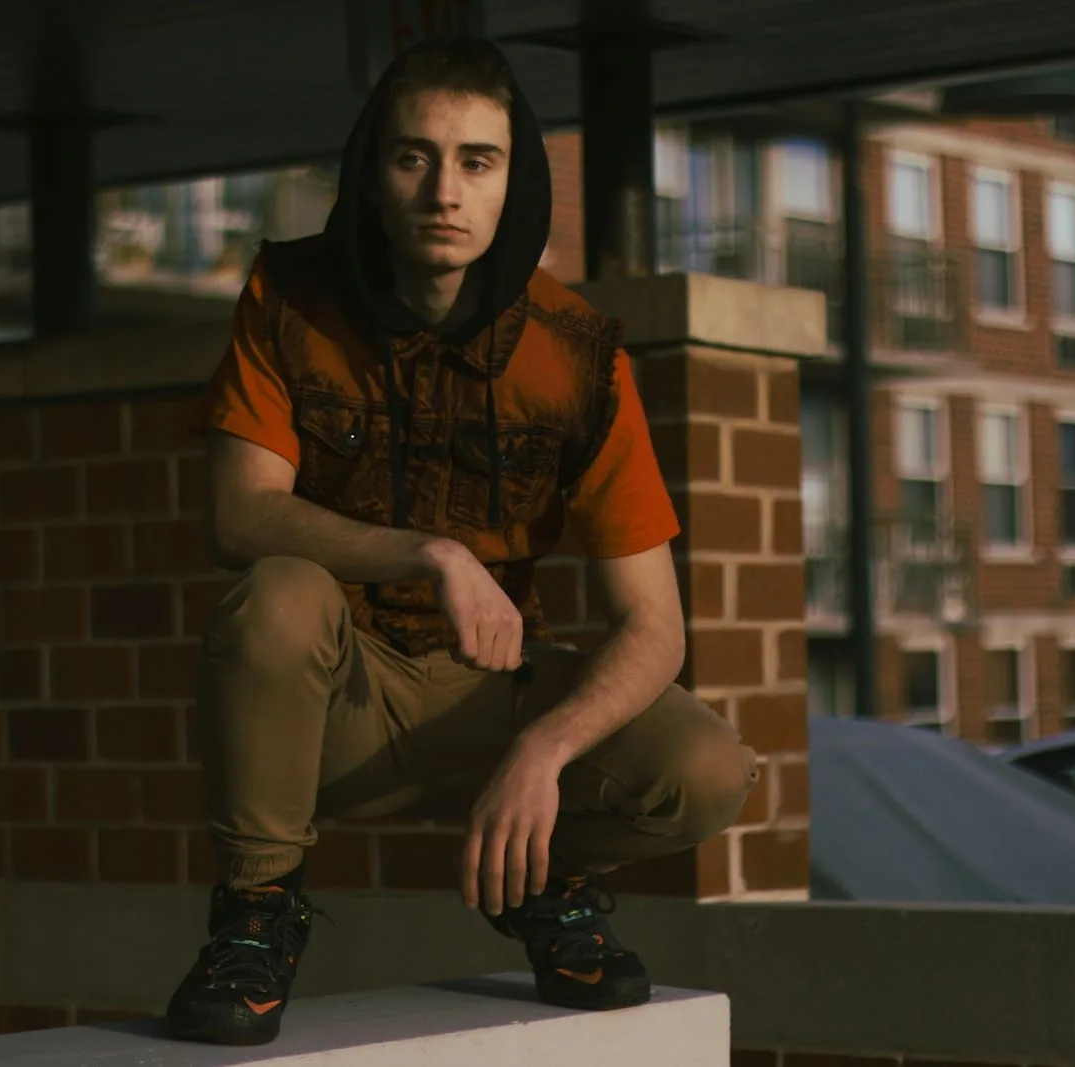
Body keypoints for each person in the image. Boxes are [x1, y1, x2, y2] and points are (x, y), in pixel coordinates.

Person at [167, 35, 760, 1047]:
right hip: (330, 698)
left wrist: (545, 744)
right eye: (414, 157)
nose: (444, 190)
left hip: (491, 690)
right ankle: (256, 915)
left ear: (510, 180)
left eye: (475, 161)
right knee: (276, 589)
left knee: (706, 765)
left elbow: (653, 624)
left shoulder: (577, 358)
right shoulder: (288, 300)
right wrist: (430, 553)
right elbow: (239, 513)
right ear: (372, 175)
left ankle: (542, 884)